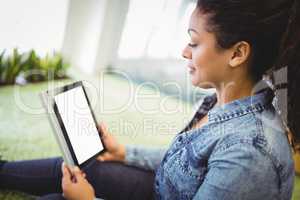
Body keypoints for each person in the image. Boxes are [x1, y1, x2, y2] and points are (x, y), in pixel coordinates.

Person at [1, 0, 300, 199]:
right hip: (165, 190)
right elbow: (186, 164)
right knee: (84, 164)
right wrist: (123, 152)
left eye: (194, 42)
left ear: (237, 54)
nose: (185, 52)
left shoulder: (251, 153)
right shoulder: (222, 100)